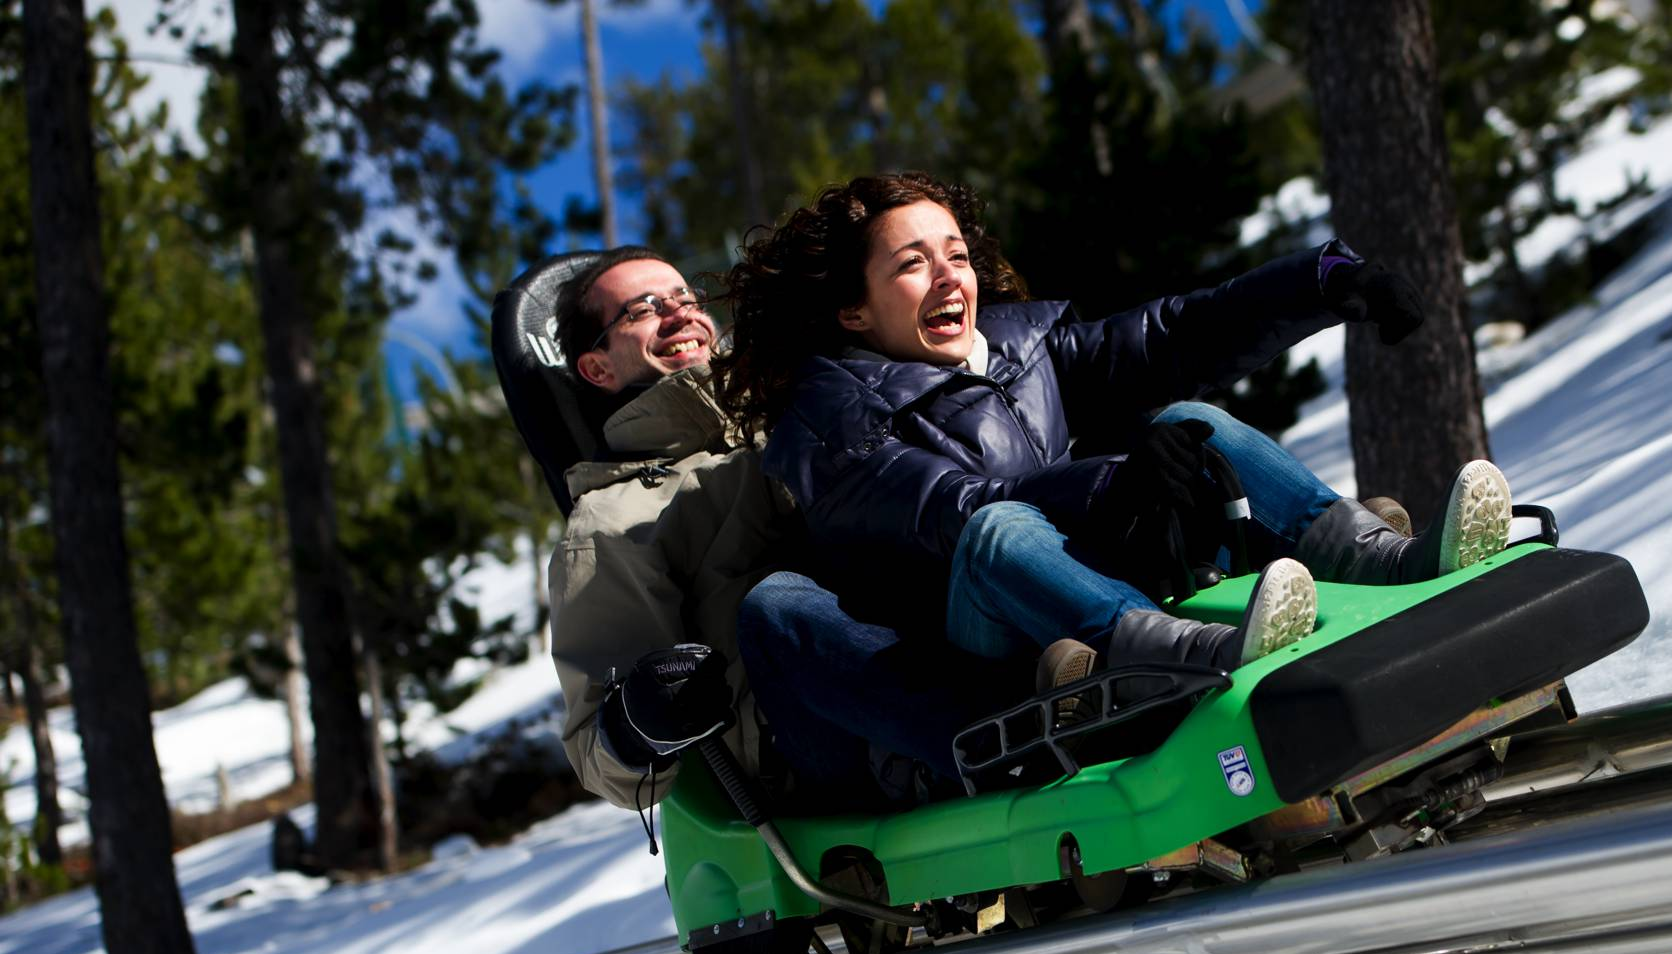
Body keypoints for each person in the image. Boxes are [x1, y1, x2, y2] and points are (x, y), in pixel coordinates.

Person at [716, 172, 1513, 685]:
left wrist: (1319, 281)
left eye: (954, 254)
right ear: (854, 309)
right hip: (981, 631)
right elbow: (948, 507)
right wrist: (1114, 481)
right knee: (997, 528)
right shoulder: (830, 421)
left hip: (1100, 568)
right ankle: (1186, 657)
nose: (949, 275)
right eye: (912, 264)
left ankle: (1386, 559)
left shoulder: (1028, 349)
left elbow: (1171, 336)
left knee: (1187, 419)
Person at [545, 246, 1000, 811]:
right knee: (779, 606)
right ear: (598, 367)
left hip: (931, 641)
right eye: (643, 308)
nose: (680, 313)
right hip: (816, 750)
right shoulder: (609, 523)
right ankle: (998, 738)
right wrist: (637, 723)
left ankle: (1085, 665)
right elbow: (596, 750)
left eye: (687, 298)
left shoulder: (799, 405)